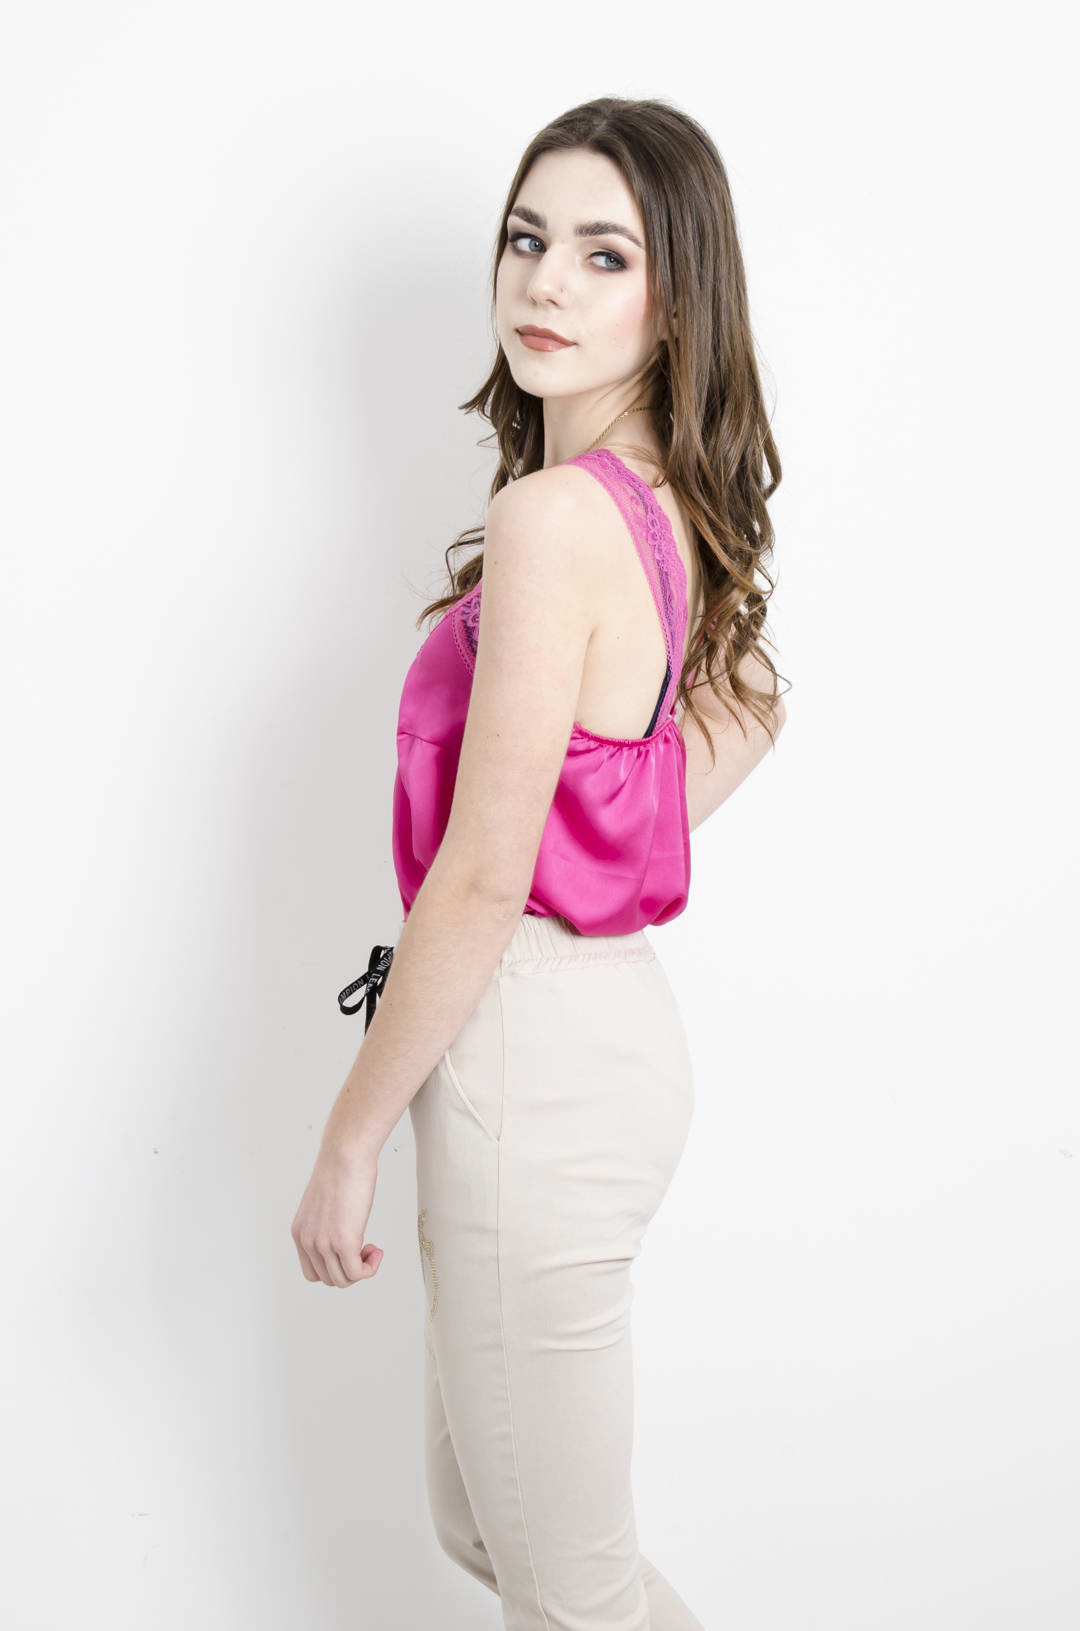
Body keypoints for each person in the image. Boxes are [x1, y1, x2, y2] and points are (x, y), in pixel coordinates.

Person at [292, 95, 789, 1631]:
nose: (546, 283)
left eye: (603, 254)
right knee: (492, 1530)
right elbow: (753, 707)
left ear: (677, 302)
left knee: (566, 1594)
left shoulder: (555, 520)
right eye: (527, 239)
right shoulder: (657, 514)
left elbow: (484, 874)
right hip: (585, 1040)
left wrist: (351, 1134)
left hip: (534, 1051)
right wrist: (611, 830)